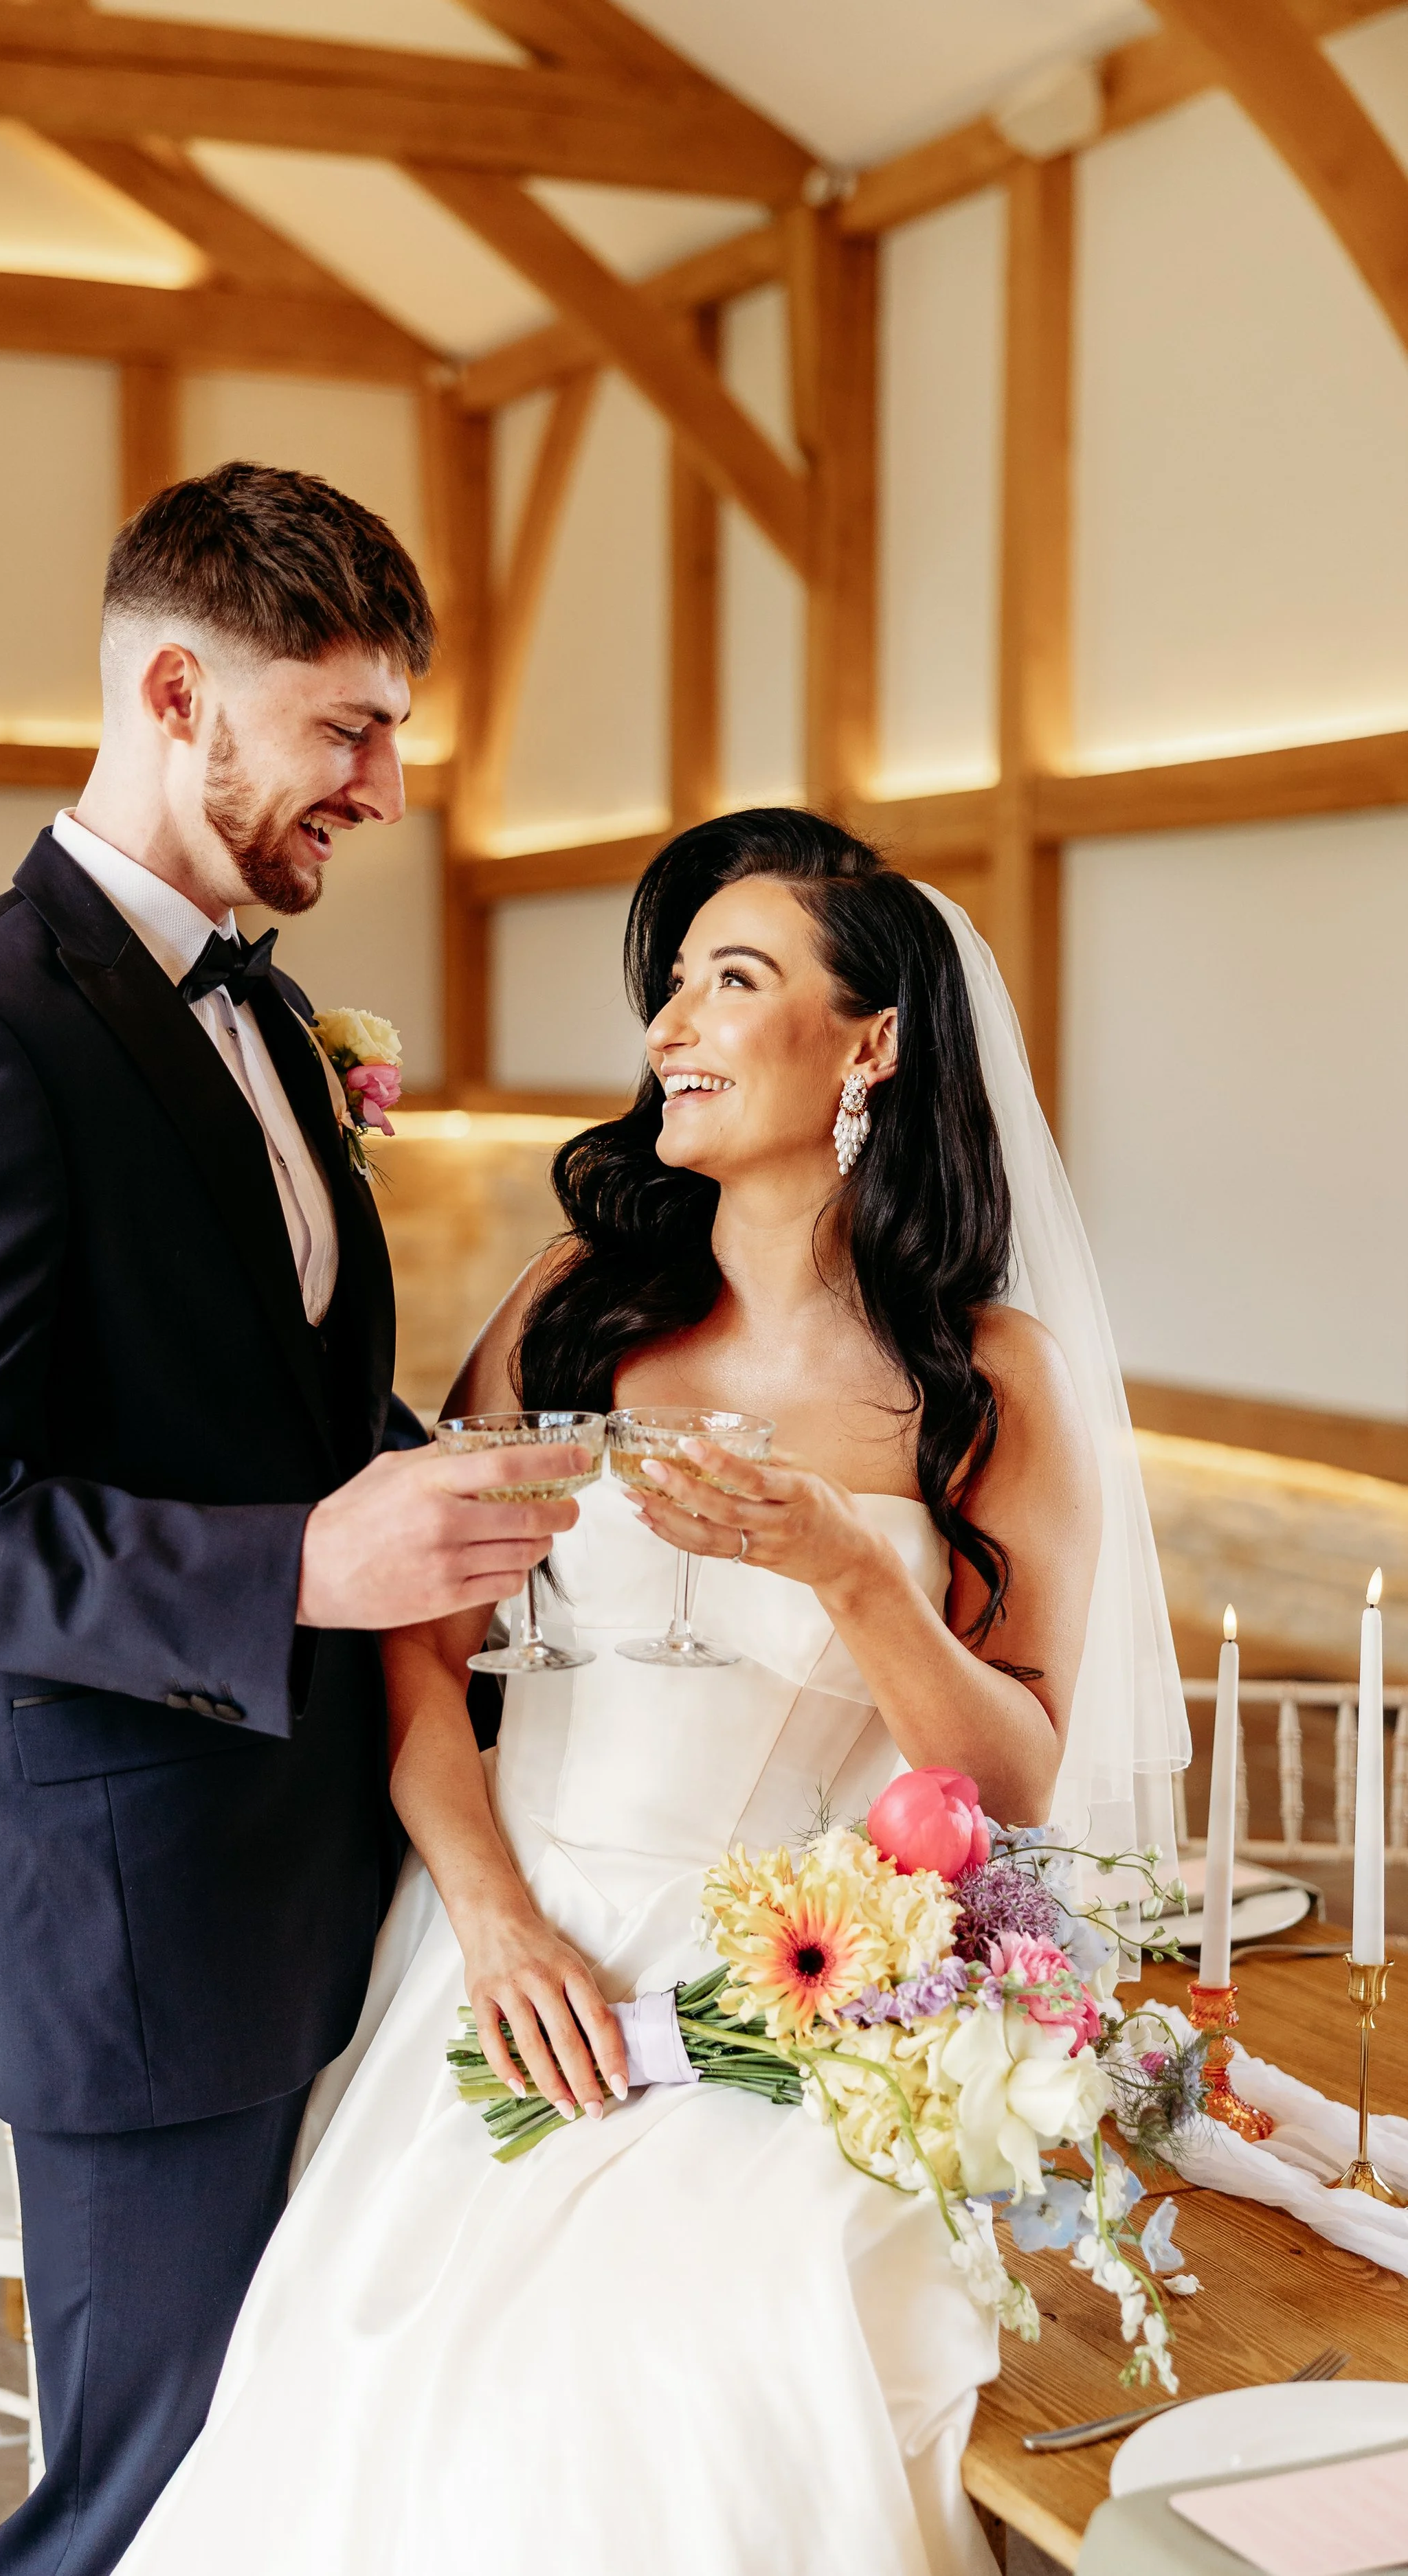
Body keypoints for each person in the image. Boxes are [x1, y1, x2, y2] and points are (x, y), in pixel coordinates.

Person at [115, 809, 1188, 2576]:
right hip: (505, 1949)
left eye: (731, 980)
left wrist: (845, 1570)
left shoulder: (989, 1378)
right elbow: (416, 1646)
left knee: (691, 2385)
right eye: (671, 985)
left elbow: (1014, 1786)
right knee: (405, 2403)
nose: (666, 1027)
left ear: (870, 1046)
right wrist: (488, 1919)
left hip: (793, 2004)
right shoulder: (566, 1313)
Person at [0, 463, 589, 2576]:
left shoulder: (256, 1006)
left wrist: (498, 1432)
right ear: (178, 688)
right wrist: (304, 1566)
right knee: (145, 2507)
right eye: (347, 725)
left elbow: (291, 1403)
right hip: (143, 1918)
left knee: (315, 2476)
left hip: (351, 1864)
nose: (390, 787)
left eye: (396, 730)